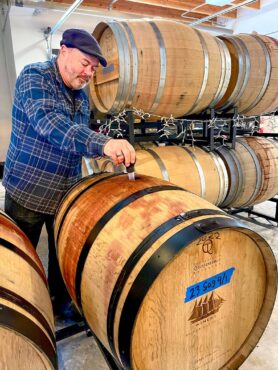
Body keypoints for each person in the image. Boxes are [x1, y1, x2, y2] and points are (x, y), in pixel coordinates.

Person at [2, 28, 135, 320]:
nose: (89, 73)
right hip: (29, 189)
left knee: (62, 254)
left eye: (93, 69)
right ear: (64, 51)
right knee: (20, 258)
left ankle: (61, 304)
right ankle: (21, 313)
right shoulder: (34, 77)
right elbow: (52, 125)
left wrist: (103, 142)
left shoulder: (82, 95)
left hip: (66, 191)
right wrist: (104, 144)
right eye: (85, 64)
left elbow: (80, 133)